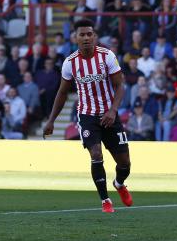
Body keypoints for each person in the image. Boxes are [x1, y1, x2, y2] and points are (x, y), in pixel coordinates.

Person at [43, 19, 133, 213]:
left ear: (95, 37)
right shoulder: (70, 63)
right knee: (96, 154)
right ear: (75, 38)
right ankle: (105, 201)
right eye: (82, 35)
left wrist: (113, 110)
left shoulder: (107, 56)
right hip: (87, 116)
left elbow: (120, 86)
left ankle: (119, 183)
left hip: (109, 114)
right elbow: (62, 93)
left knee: (124, 162)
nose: (86, 38)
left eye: (89, 34)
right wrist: (51, 120)